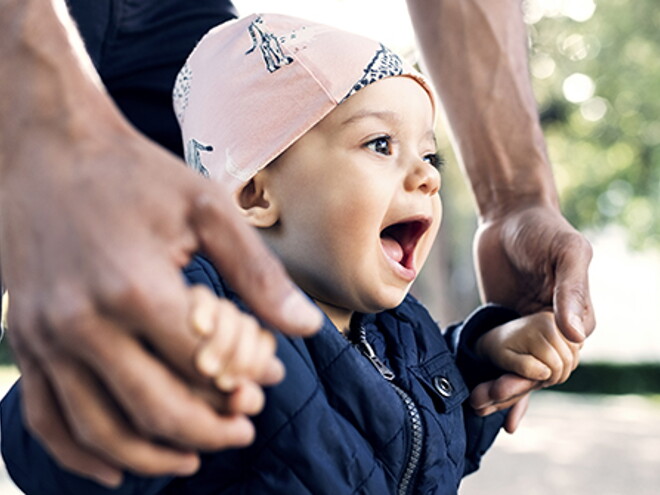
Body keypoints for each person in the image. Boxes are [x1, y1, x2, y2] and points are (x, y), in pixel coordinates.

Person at [0, 0, 594, 487]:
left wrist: (488, 355)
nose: (428, 177)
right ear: (256, 193)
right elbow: (50, 457)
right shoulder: (209, 318)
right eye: (381, 144)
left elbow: (432, 430)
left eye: (429, 154)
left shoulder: (402, 330)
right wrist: (150, 380)